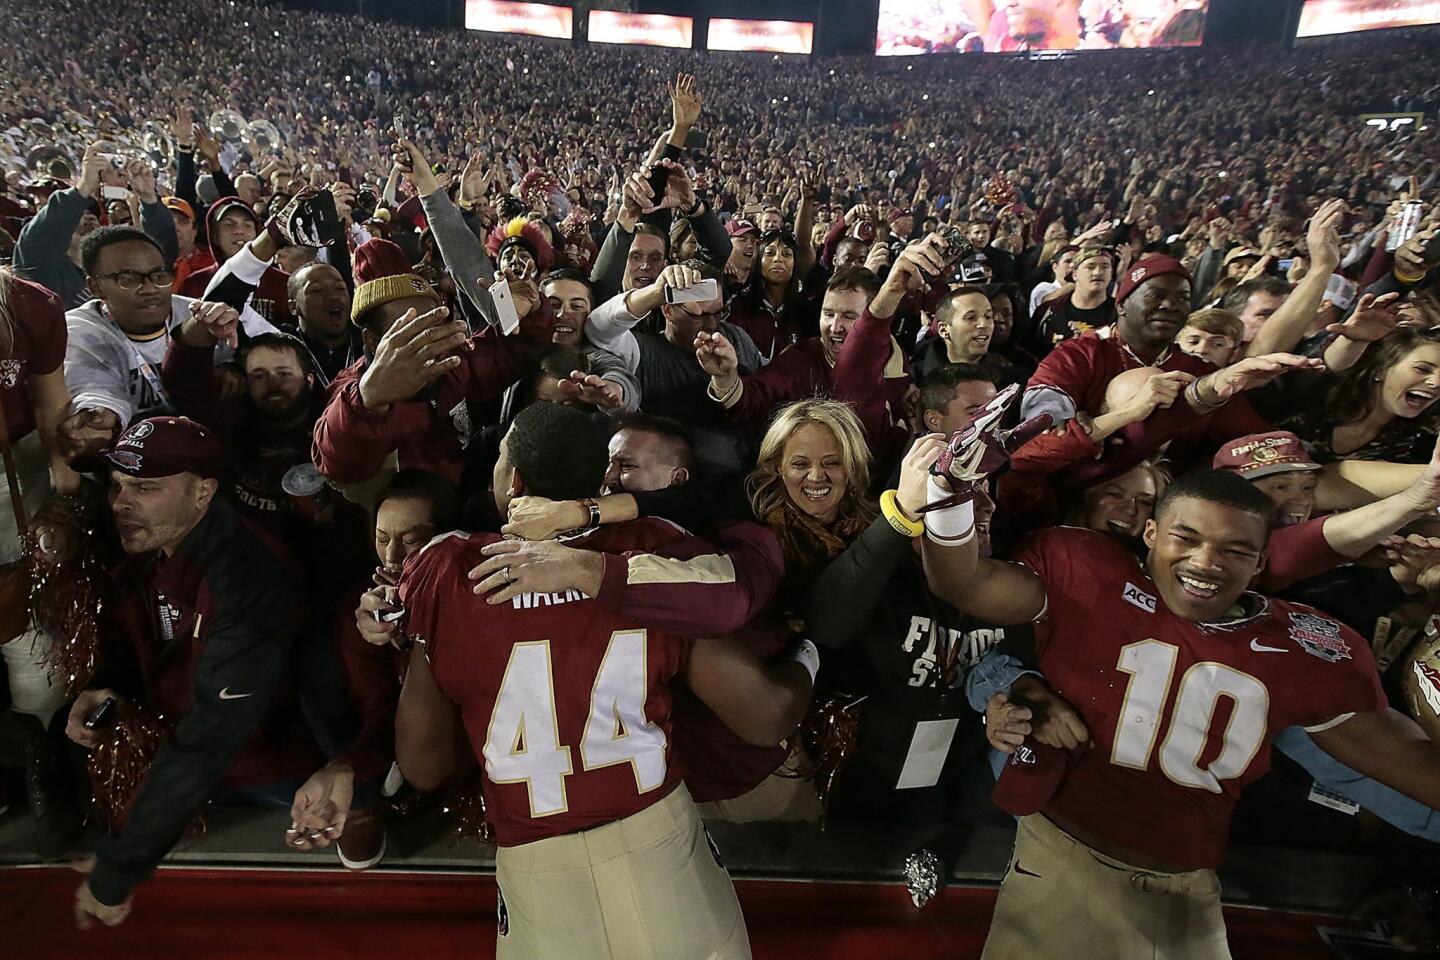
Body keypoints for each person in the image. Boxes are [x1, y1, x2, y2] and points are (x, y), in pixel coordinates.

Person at [919, 405, 1440, 958]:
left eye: (1236, 551)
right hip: (1065, 860)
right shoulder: (1084, 571)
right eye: (1185, 539)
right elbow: (966, 583)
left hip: (1190, 889)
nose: (1206, 562)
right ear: (1151, 533)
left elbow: (1418, 773)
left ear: (1261, 560)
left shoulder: (1308, 647)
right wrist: (949, 495)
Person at [393, 402, 814, 959]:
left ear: (514, 479)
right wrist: (809, 656)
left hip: (537, 872)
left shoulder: (448, 570)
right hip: (660, 849)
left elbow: (424, 765)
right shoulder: (646, 550)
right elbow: (763, 714)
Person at [66, 416, 312, 929]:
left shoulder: (248, 576)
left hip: (260, 779)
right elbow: (135, 640)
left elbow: (210, 739)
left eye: (145, 488)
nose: (120, 503)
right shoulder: (151, 541)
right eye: (117, 485)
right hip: (180, 772)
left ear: (204, 492)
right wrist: (104, 687)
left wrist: (121, 866)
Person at [14, 144, 177, 308]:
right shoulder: (47, 274)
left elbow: (162, 249)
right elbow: (36, 243)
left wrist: (149, 198)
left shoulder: (122, 263)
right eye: (78, 215)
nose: (88, 217)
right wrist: (83, 188)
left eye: (91, 213)